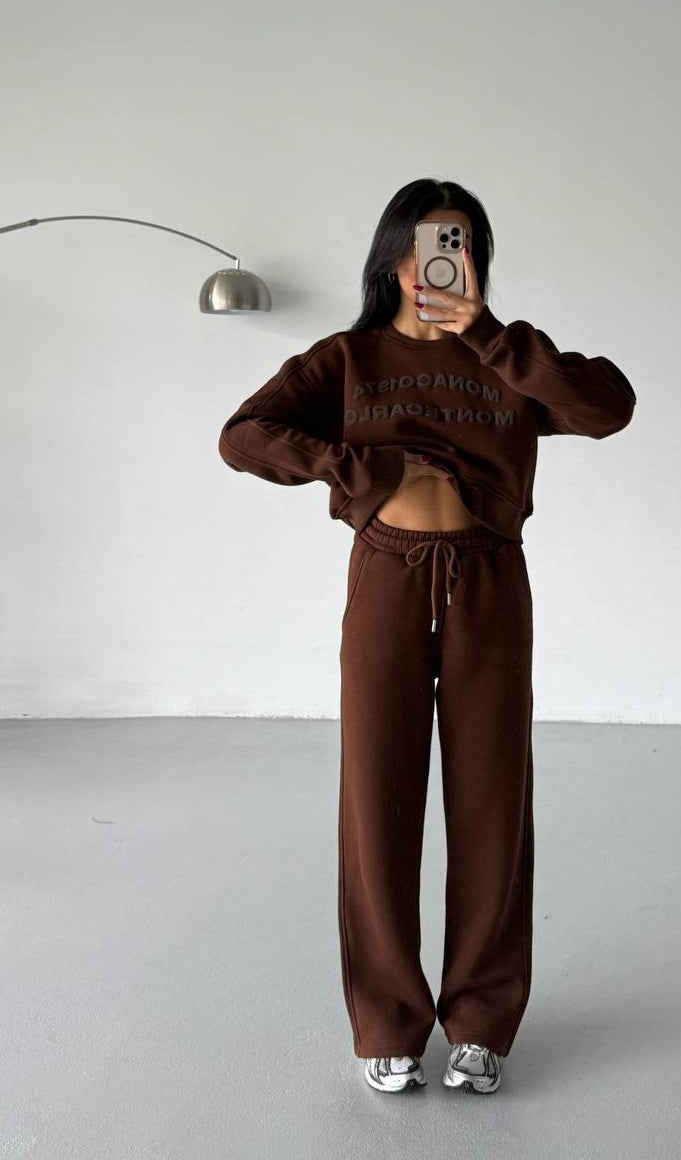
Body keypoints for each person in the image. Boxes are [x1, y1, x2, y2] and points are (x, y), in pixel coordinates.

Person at [218, 178, 637, 1095]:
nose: (433, 263)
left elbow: (608, 407)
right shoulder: (349, 358)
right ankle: (387, 1022)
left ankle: (480, 1021)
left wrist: (489, 335)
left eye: (455, 244)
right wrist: (356, 466)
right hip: (387, 578)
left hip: (489, 579)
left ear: (475, 258)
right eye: (418, 244)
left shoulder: (507, 359)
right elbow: (243, 436)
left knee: (492, 800)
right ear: (389, 258)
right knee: (377, 798)